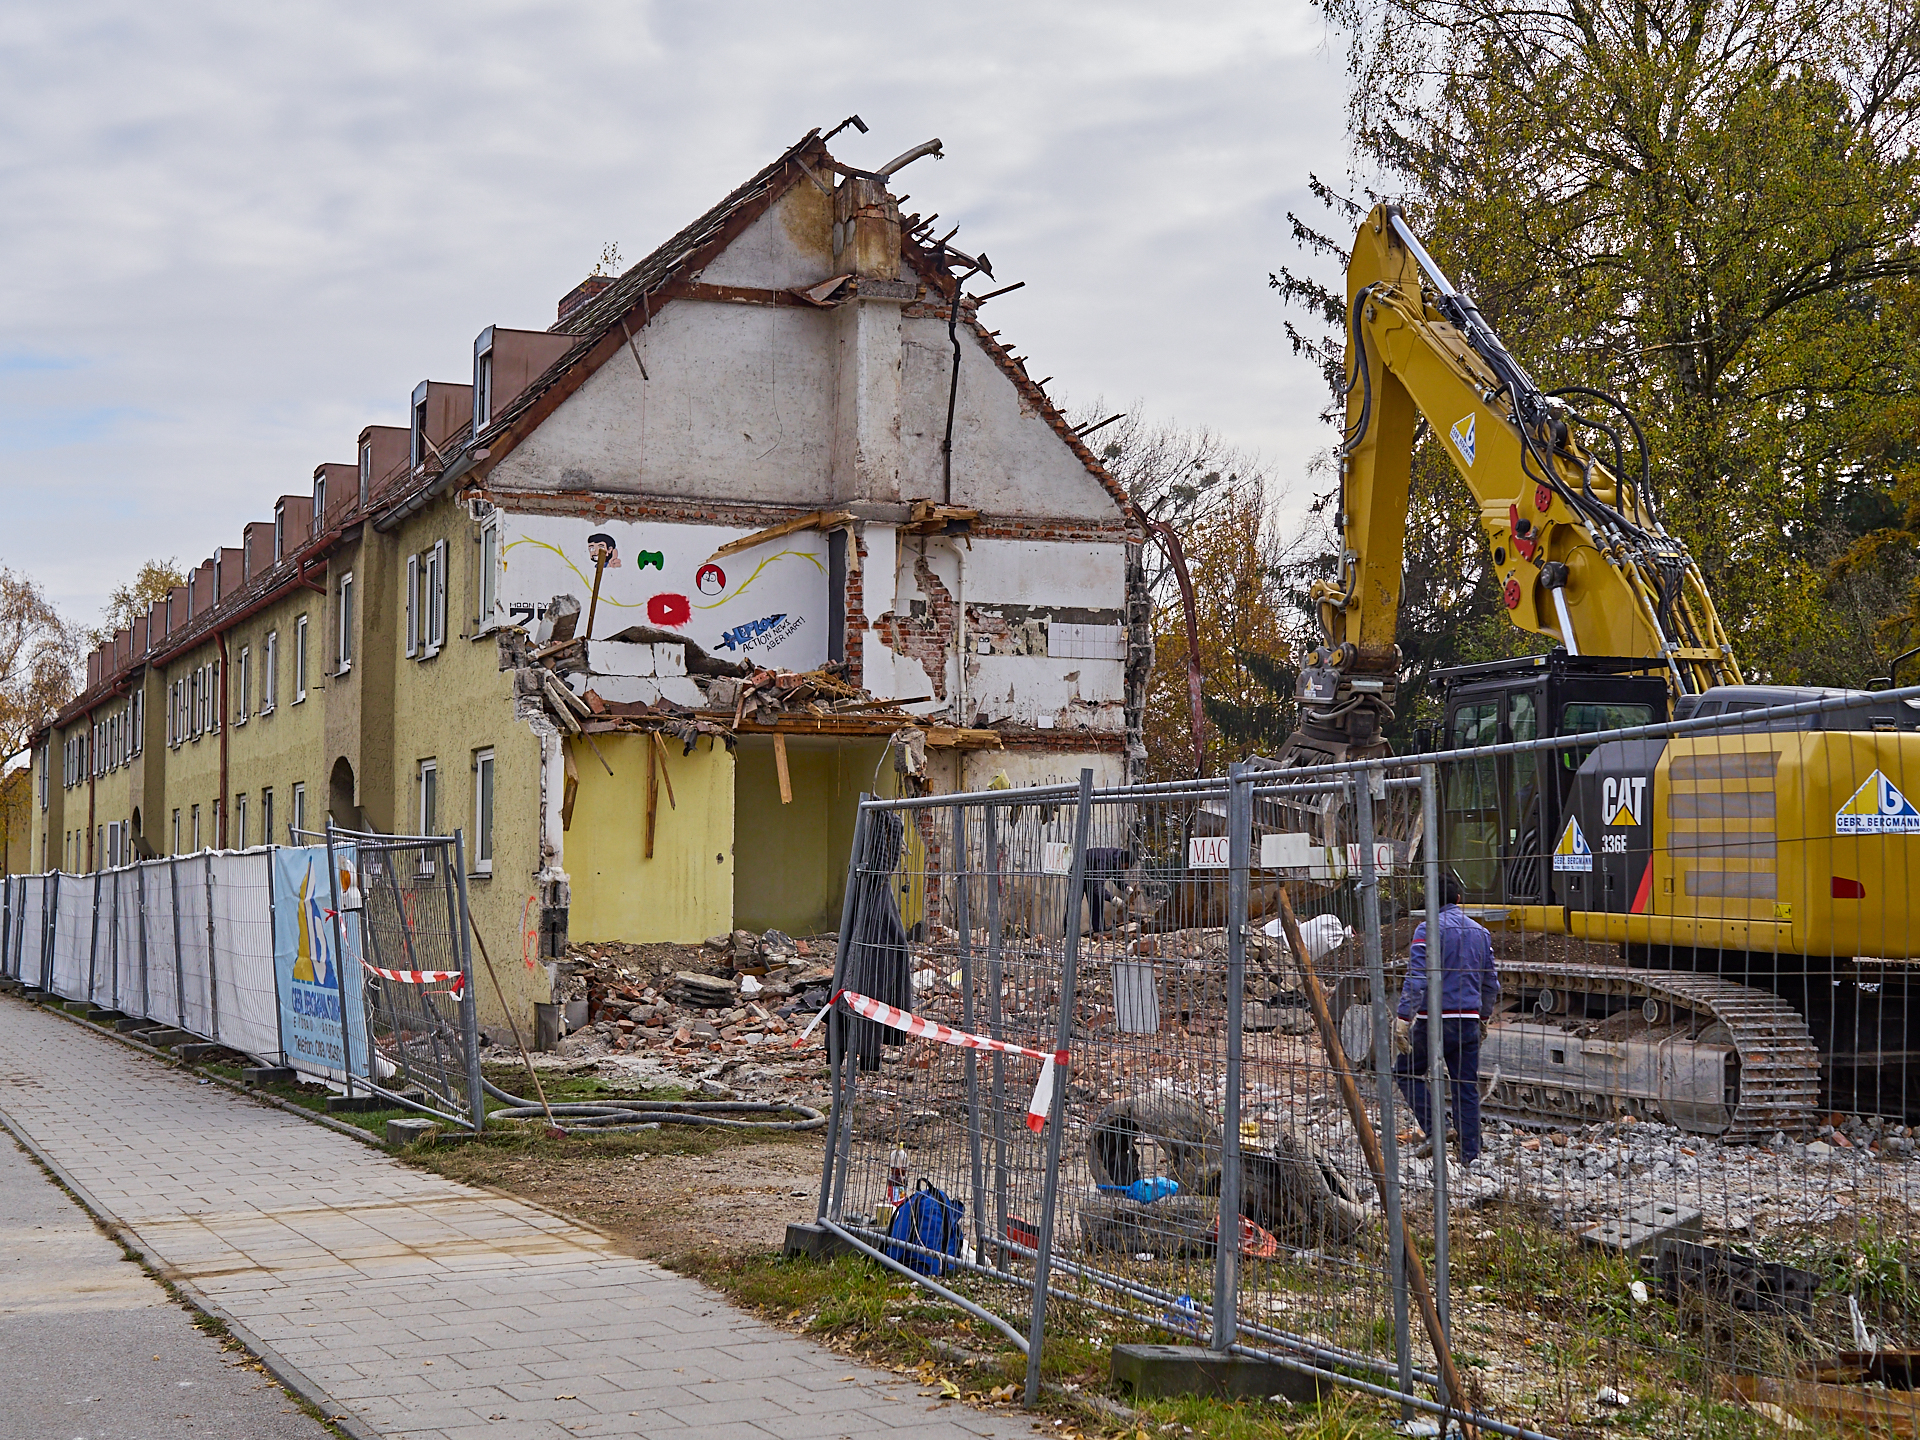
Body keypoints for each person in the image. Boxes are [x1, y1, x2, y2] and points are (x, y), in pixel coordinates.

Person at [1392, 870, 1498, 1163]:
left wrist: (1403, 1018)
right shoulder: (1480, 933)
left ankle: (1438, 1129)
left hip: (1434, 1022)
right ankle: (1470, 1155)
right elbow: (1491, 983)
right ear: (1459, 899)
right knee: (1465, 1085)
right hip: (1468, 1021)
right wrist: (1483, 1017)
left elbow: (1417, 979)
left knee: (1406, 1072)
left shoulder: (1427, 930)